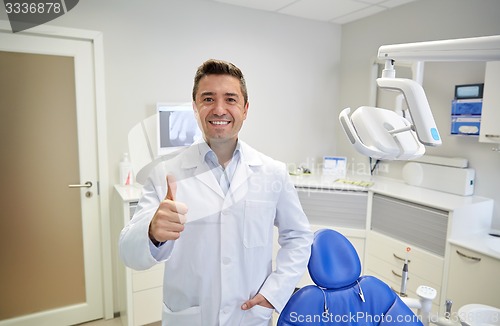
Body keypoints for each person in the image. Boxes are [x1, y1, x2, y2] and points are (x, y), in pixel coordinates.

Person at [119, 59, 313, 326]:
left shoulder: (272, 172)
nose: (219, 109)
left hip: (249, 314)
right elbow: (129, 253)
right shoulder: (166, 173)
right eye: (208, 98)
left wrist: (275, 292)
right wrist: (152, 232)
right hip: (189, 317)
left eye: (230, 99)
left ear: (245, 109)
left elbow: (299, 236)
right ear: (195, 108)